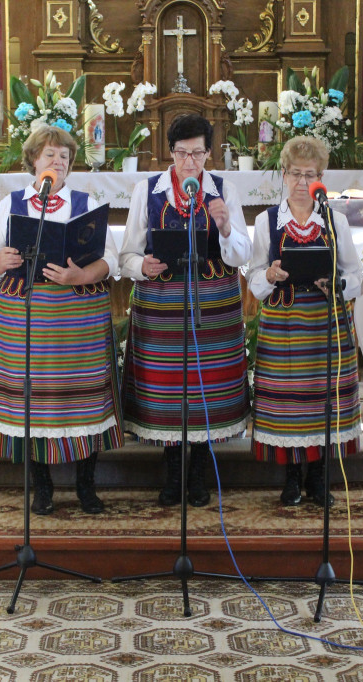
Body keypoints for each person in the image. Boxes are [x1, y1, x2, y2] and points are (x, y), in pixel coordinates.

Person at [0, 124, 120, 515]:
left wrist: (82, 275)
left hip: (77, 317)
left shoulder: (85, 202)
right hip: (27, 317)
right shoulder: (12, 203)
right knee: (33, 404)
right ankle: (42, 487)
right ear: (33, 162)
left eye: (64, 157)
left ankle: (85, 486)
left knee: (84, 401)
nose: (57, 162)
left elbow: (110, 260)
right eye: (49, 155)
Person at [119, 114, 251, 507]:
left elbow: (243, 254)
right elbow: (127, 252)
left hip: (214, 305)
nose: (189, 162)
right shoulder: (149, 190)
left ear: (209, 153)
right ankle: (173, 470)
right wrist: (141, 266)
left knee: (208, 387)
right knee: (168, 388)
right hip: (161, 305)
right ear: (170, 153)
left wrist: (226, 229)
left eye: (197, 153)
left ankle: (200, 473)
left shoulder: (225, 190)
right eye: (181, 153)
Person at [246, 136, 363, 506]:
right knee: (289, 405)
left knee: (322, 401)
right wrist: (269, 277)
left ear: (320, 179)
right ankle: (291, 479)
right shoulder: (267, 221)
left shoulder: (335, 220)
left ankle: (319, 479)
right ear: (283, 174)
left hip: (325, 322)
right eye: (294, 173)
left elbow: (356, 274)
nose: (300, 182)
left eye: (308, 175)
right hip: (284, 324)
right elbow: (253, 276)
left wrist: (338, 284)